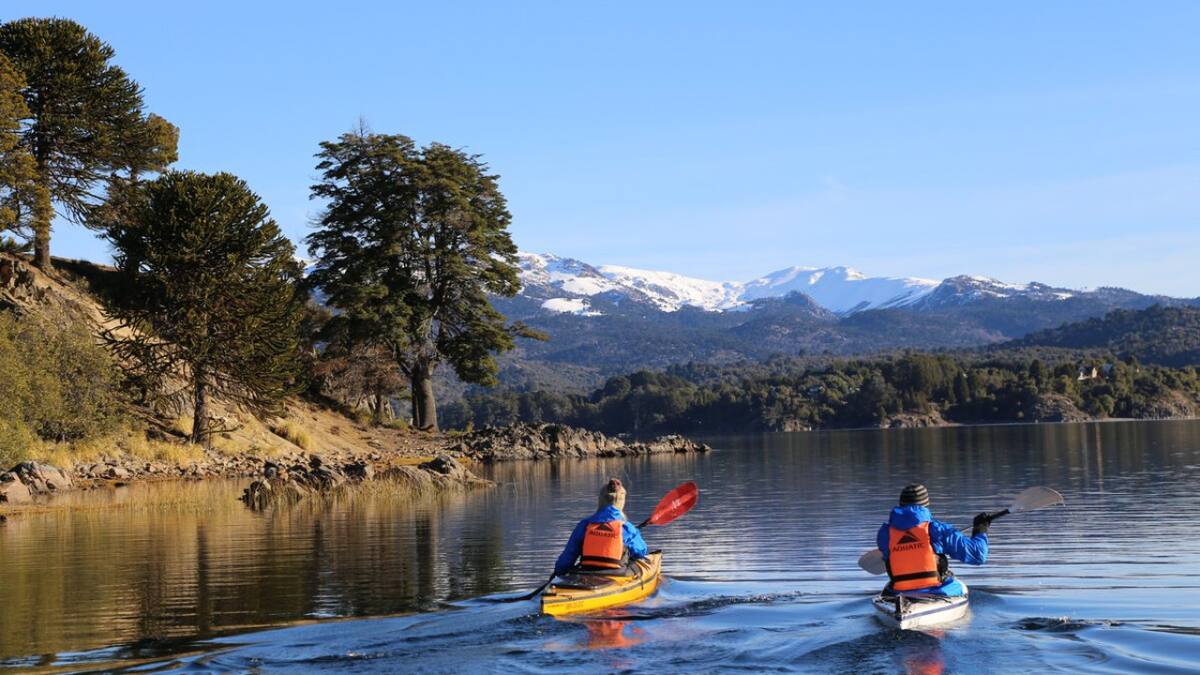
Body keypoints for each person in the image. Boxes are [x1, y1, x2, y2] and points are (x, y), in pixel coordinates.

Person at [876, 483, 989, 596]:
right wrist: (980, 530)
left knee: (888, 587)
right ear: (925, 505)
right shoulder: (938, 530)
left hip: (899, 593)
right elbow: (978, 555)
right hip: (935, 592)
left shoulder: (884, 534)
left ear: (900, 505)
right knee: (961, 586)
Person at [554, 478, 648, 577]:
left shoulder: (584, 525)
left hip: (586, 572)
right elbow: (641, 552)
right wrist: (634, 535)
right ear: (621, 502)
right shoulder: (627, 528)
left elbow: (568, 556)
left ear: (601, 500)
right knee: (638, 565)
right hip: (616, 574)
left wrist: (559, 572)